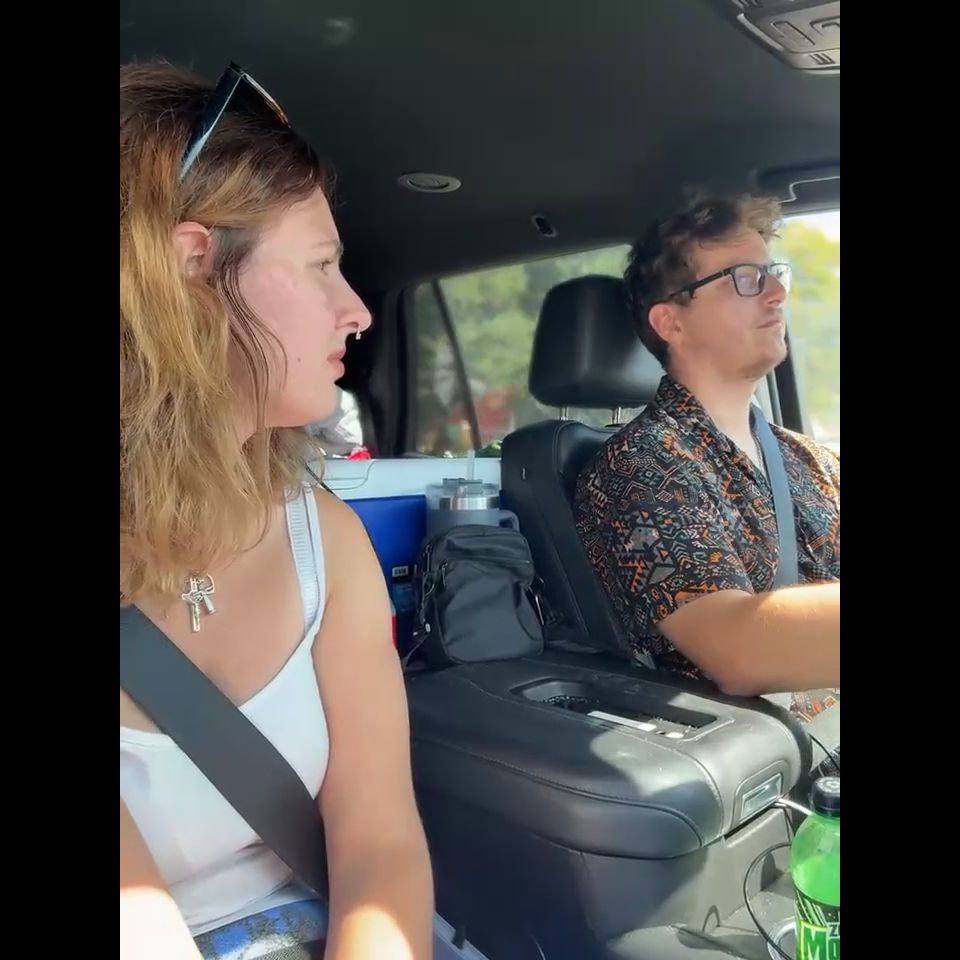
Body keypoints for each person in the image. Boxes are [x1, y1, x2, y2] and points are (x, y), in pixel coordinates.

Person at [120, 62, 433, 960]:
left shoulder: (325, 538)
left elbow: (380, 840)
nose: (358, 310)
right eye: (323, 265)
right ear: (194, 265)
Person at [574, 193, 839, 720]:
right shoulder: (640, 467)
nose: (777, 294)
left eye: (773, 274)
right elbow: (742, 652)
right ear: (671, 323)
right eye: (746, 278)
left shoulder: (810, 460)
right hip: (781, 757)